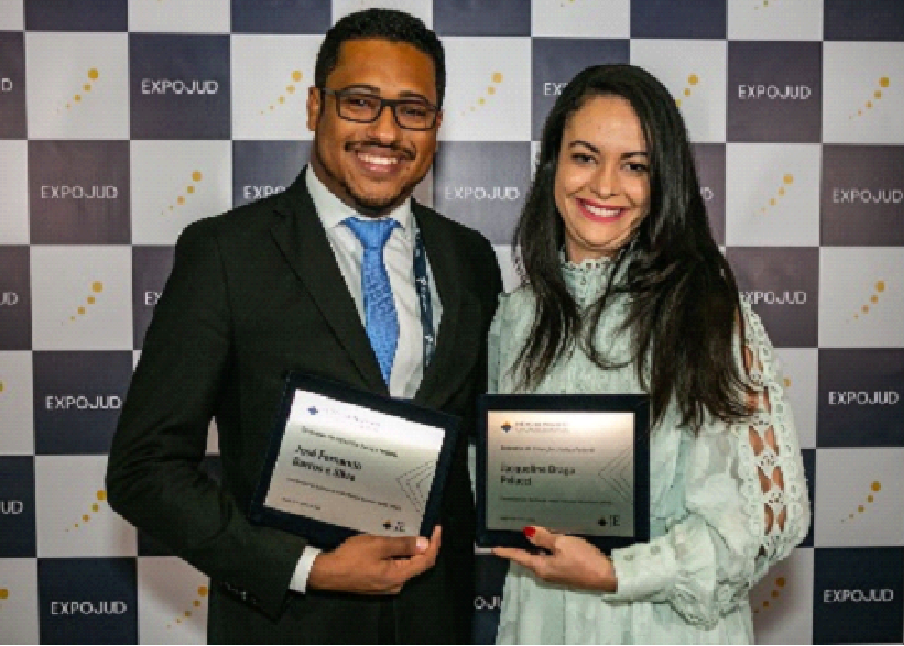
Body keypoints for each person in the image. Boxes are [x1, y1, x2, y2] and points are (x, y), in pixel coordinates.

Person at [107, 9, 502, 644]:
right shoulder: (226, 254)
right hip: (287, 627)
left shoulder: (470, 259)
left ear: (436, 124)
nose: (386, 131)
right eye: (360, 102)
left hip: (434, 623)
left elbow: (483, 438)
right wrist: (306, 568)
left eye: (413, 110)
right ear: (316, 105)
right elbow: (143, 468)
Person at [487, 64, 810, 644]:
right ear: (552, 166)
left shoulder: (707, 313)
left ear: (664, 183)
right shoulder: (515, 318)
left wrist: (618, 573)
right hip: (540, 622)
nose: (605, 185)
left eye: (635, 165)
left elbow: (768, 522)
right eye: (584, 156)